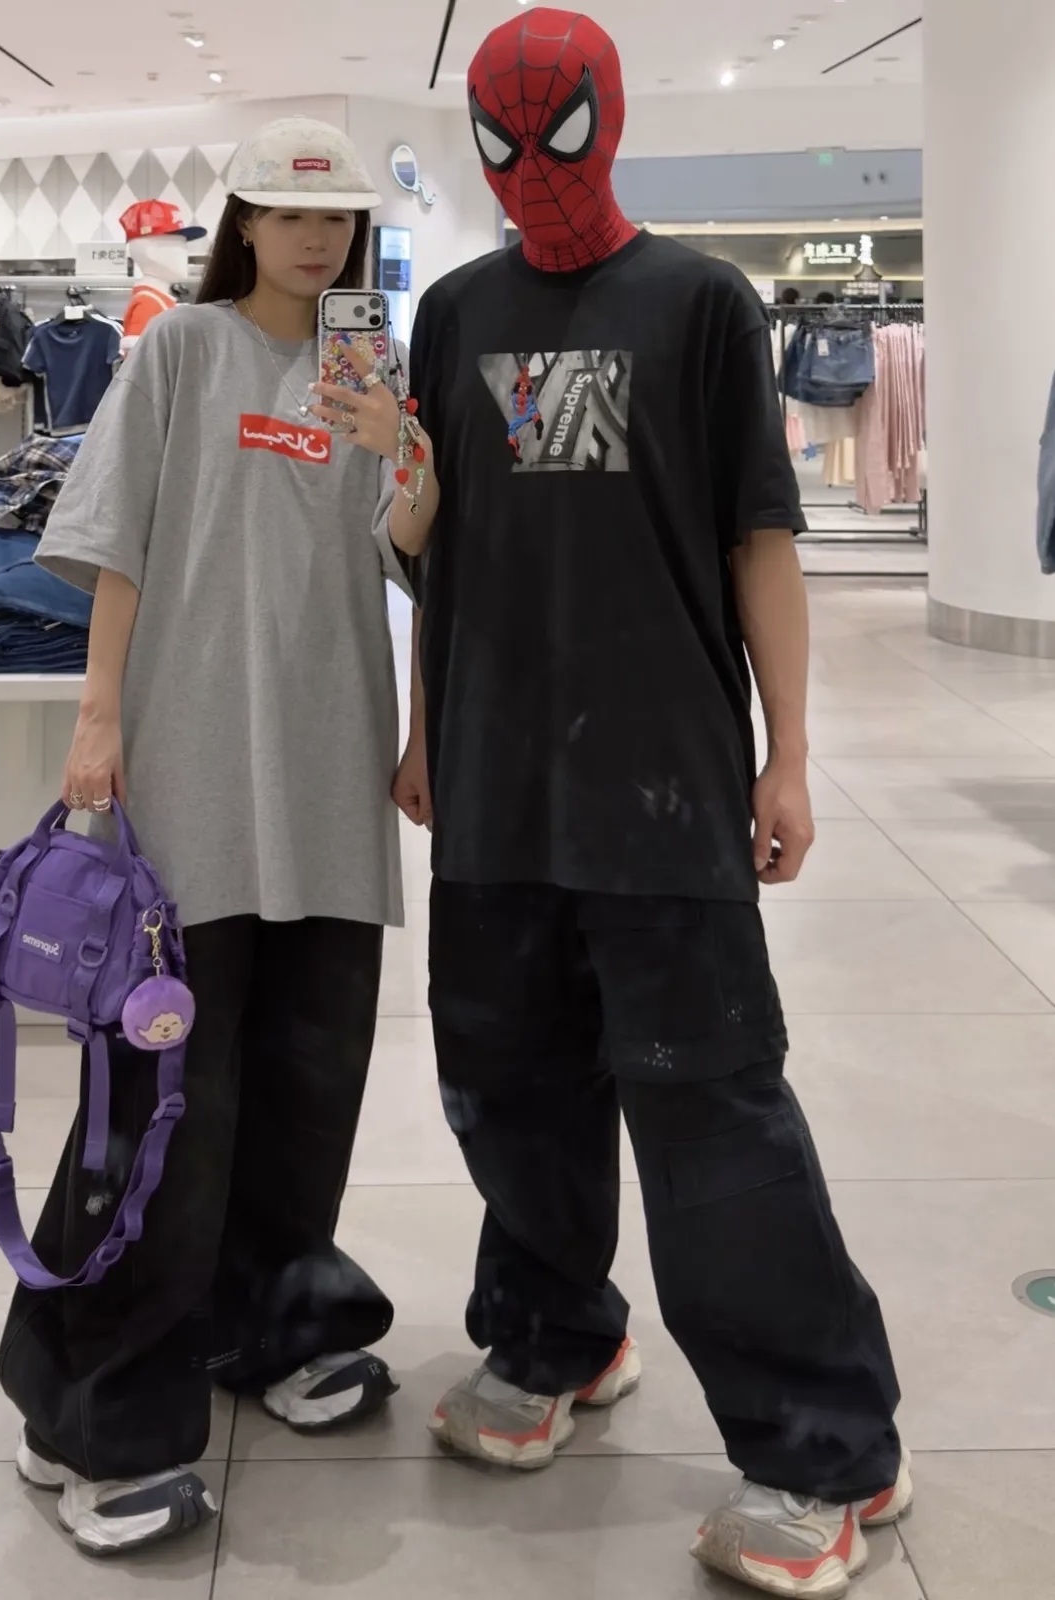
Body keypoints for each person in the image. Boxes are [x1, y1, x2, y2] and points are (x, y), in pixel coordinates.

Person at [393, 11, 910, 1598]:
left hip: (664, 781)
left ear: (608, 120)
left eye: (552, 131)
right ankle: (556, 1334)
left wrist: (790, 752)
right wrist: (422, 730)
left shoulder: (702, 304)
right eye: (497, 138)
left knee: (712, 1115)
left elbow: (763, 539)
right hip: (494, 779)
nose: (524, 166)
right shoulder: (453, 315)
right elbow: (437, 545)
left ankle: (827, 1444)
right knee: (507, 1087)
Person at [0, 116, 427, 1558]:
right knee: (160, 1096)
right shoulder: (179, 351)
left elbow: (417, 551)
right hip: (190, 768)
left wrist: (403, 454)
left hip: (331, 775)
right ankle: (87, 1412)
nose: (318, 238)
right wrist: (98, 718)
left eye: (339, 217)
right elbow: (115, 538)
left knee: (308, 1082)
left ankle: (270, 1324)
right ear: (243, 221)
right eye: (291, 213)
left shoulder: (373, 369)